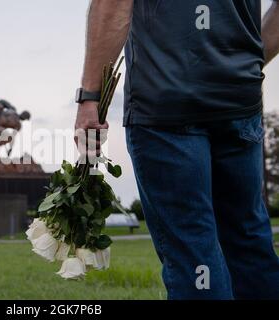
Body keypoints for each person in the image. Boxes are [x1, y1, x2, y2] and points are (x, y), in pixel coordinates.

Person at [74, 0, 279, 299]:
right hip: (239, 100)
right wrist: (244, 62)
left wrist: (90, 95)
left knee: (193, 251)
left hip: (165, 103)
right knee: (248, 240)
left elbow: (115, 3)